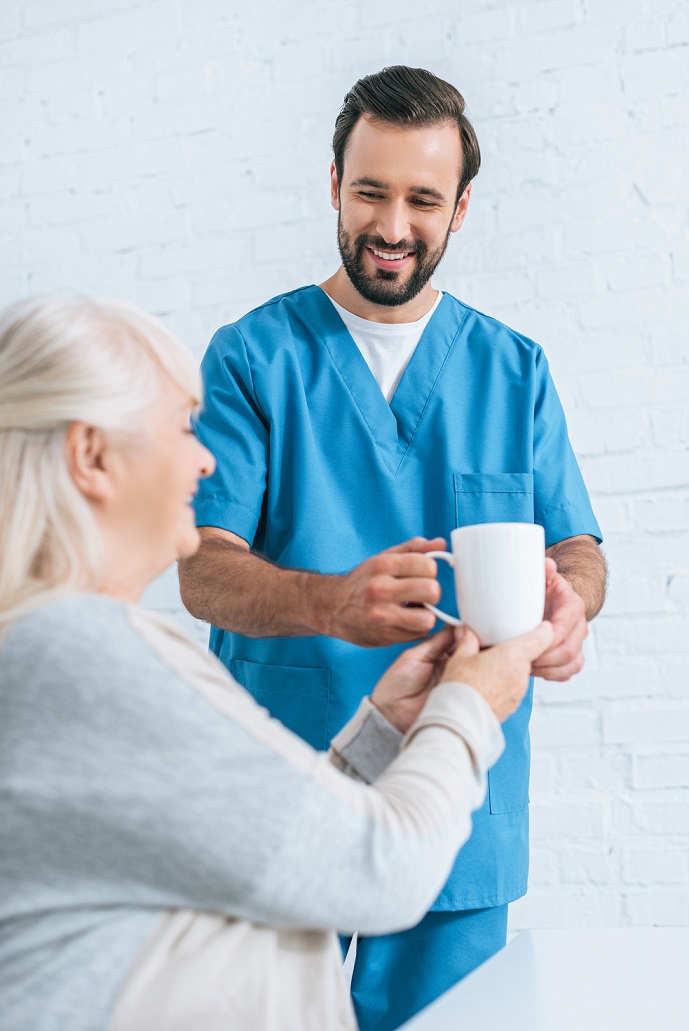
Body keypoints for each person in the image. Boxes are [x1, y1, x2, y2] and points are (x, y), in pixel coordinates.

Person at [178, 65, 608, 1030]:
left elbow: (577, 542)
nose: (391, 225)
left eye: (422, 199)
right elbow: (201, 566)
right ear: (334, 184)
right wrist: (328, 602)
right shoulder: (253, 358)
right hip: (287, 802)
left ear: (460, 209)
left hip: (462, 800)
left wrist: (572, 599)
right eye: (370, 190)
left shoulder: (514, 368)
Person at [0, 295, 556, 1031]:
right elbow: (376, 869)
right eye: (180, 428)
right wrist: (469, 705)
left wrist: (385, 729)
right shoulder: (83, 656)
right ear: (92, 456)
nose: (204, 460)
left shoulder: (55, 649)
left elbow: (254, 839)